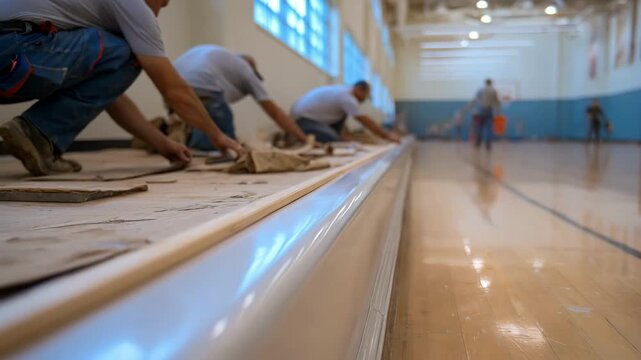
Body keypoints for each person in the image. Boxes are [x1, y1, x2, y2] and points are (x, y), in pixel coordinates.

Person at [0, 0, 243, 176]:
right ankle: (39, 135)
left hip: (11, 56)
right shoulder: (134, 6)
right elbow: (174, 91)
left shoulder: (74, 15)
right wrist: (218, 135)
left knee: (120, 56)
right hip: (11, 49)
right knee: (130, 54)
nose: (166, 5)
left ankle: (41, 139)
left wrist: (162, 143)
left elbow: (108, 96)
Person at [173, 45, 309, 150]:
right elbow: (274, 111)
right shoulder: (245, 68)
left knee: (202, 121)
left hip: (171, 82)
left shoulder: (223, 58)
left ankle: (189, 143)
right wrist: (304, 139)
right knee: (225, 130)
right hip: (202, 84)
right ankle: (204, 148)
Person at [291, 81, 400, 143]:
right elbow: (365, 121)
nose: (364, 99)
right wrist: (386, 136)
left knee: (338, 133)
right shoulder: (347, 98)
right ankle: (298, 136)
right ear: (358, 89)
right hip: (304, 120)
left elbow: (339, 119)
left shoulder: (343, 92)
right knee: (332, 138)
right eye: (365, 95)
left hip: (313, 119)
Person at [465, 79, 501, 150]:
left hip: (481, 110)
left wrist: (469, 107)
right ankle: (488, 144)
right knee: (489, 128)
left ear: (485, 83)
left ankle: (478, 143)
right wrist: (497, 112)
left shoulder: (481, 90)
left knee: (479, 127)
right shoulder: (494, 91)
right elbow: (497, 102)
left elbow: (475, 100)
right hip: (489, 110)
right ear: (491, 83)